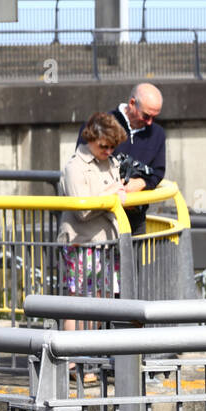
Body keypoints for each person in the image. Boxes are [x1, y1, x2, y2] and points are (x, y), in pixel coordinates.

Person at [58, 111, 128, 349]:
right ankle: (70, 359)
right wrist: (112, 194)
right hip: (82, 242)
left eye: (112, 147)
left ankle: (84, 354)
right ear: (91, 138)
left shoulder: (111, 163)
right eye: (104, 146)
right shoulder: (75, 167)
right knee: (79, 301)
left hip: (106, 242)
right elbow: (82, 209)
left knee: (102, 300)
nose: (108, 151)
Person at [94, 82, 167, 237]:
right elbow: (84, 163)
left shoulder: (158, 134)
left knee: (134, 261)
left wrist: (141, 183)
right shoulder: (102, 125)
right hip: (101, 219)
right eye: (146, 116)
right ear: (132, 103)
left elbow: (158, 172)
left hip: (135, 219)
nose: (150, 122)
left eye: (155, 117)